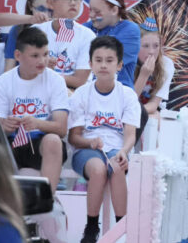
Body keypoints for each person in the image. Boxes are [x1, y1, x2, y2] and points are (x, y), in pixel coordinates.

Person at [68, 36, 140, 243]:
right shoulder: (82, 94)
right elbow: (75, 137)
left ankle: (121, 228)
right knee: (99, 170)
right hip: (86, 151)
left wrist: (124, 151)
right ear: (90, 64)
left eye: (109, 60)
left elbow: (129, 135)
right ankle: (91, 228)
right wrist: (90, 143)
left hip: (116, 150)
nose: (103, 65)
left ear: (119, 65)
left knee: (116, 168)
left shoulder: (127, 95)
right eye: (98, 60)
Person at [0, 27, 69, 195]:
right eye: (35, 56)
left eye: (46, 54)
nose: (42, 60)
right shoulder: (4, 81)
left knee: (54, 141)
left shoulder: (55, 80)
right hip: (12, 144)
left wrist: (37, 123)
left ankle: (47, 200)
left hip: (40, 144)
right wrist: (6, 125)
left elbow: (62, 129)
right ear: (18, 56)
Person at [32, 0, 95, 89]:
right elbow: (25, 71)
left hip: (74, 94)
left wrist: (46, 72)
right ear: (50, 3)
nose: (73, 3)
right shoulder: (35, 31)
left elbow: (80, 81)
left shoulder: (87, 36)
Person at [84, 0, 140, 89]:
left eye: (97, 12)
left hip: (120, 97)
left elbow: (106, 59)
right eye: (90, 10)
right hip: (89, 93)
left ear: (114, 10)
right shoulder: (86, 28)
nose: (91, 15)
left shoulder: (130, 30)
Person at [133, 17, 174, 116]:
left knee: (155, 116)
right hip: (123, 110)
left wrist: (137, 112)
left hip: (142, 110)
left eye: (156, 46)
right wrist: (143, 75)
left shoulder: (166, 65)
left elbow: (154, 104)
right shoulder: (127, 62)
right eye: (146, 46)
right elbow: (128, 103)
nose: (151, 51)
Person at [4, 0, 50, 72]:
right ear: (30, 6)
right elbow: (8, 69)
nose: (45, 14)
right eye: (41, 9)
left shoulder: (62, 30)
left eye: (50, 10)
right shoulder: (18, 30)